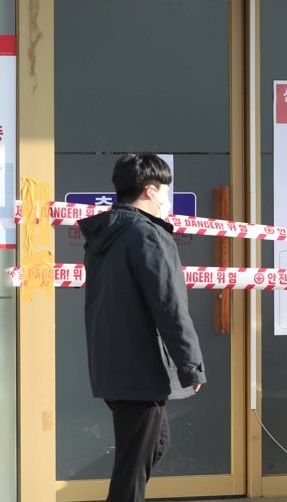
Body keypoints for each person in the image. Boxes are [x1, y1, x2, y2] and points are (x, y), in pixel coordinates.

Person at [79, 153, 206, 502]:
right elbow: (170, 306)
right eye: (165, 189)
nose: (166, 198)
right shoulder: (148, 235)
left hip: (113, 364)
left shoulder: (105, 235)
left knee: (154, 445)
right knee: (132, 467)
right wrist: (191, 365)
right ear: (150, 190)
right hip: (139, 367)